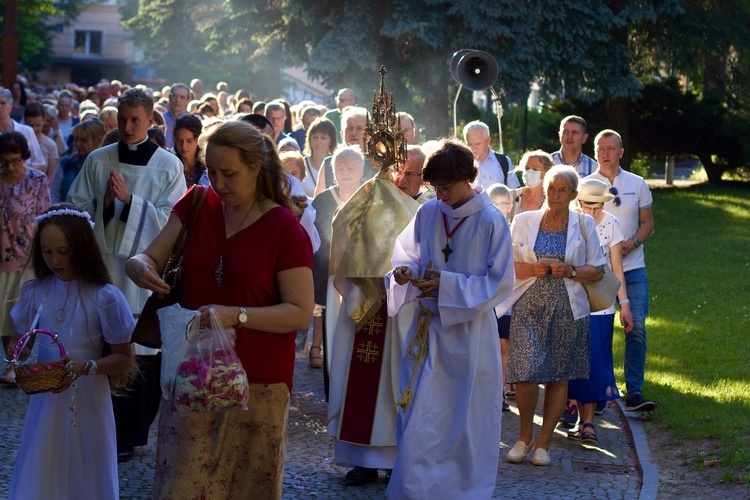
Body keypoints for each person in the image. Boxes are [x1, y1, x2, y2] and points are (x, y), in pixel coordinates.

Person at [125, 119, 314, 497]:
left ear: (256, 168)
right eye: (211, 171)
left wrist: (238, 314)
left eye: (229, 174)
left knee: (245, 491)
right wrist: (139, 267)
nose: (219, 183)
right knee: (180, 488)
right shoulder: (196, 201)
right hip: (191, 374)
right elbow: (148, 256)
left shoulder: (285, 228)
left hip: (259, 384)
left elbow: (300, 312)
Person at [385, 139, 514, 498]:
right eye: (435, 187)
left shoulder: (491, 220)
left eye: (446, 187)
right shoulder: (428, 212)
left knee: (465, 422)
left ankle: (462, 491)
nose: (439, 194)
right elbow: (406, 254)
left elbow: (499, 282)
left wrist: (448, 285)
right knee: (419, 419)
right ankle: (414, 491)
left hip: (470, 338)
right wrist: (404, 274)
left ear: (469, 177)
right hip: (428, 333)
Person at [67, 87, 186, 462]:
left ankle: (131, 434)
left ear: (151, 121)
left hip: (142, 277)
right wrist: (104, 202)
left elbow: (174, 223)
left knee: (142, 352)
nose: (128, 126)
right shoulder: (100, 159)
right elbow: (74, 210)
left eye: (136, 120)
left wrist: (132, 203)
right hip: (103, 272)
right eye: (122, 119)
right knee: (102, 345)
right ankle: (97, 426)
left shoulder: (169, 166)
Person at [6, 204, 135, 499]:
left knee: (85, 461)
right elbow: (21, 343)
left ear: (82, 248)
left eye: (64, 251)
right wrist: (18, 350)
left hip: (88, 394)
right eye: (47, 251)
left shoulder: (104, 296)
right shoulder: (36, 291)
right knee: (43, 457)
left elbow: (124, 357)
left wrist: (84, 367)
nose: (55, 260)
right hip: (46, 398)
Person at [326, 139, 419, 485]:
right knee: (361, 380)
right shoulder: (369, 198)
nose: (406, 179)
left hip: (401, 309)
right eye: (404, 172)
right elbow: (341, 226)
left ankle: (396, 458)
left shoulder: (422, 209)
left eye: (415, 173)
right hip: (368, 303)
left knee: (395, 379)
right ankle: (362, 459)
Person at [504, 165, 605, 467]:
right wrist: (532, 268)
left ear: (574, 194)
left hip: (567, 307)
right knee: (524, 374)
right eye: (551, 188)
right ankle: (524, 437)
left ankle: (544, 443)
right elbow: (506, 264)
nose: (556, 195)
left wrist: (570, 270)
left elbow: (598, 269)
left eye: (563, 190)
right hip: (528, 304)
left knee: (558, 376)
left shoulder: (584, 224)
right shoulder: (523, 220)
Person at [585, 129, 656, 412]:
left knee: (635, 327)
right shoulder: (586, 184)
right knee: (596, 332)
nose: (605, 153)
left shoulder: (637, 183)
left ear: (621, 152)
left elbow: (648, 223)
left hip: (632, 268)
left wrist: (631, 243)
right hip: (596, 272)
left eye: (611, 148)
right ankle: (598, 393)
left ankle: (634, 392)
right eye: (600, 148)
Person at [566, 178, 632, 446]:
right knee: (573, 362)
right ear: (578, 201)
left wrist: (624, 304)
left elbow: (617, 269)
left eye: (596, 207)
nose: (591, 212)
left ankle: (589, 423)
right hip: (572, 299)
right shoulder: (571, 222)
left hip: (601, 303)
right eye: (586, 206)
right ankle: (573, 412)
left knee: (594, 363)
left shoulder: (611, 225)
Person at [0, 132, 51, 384]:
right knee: (4, 316)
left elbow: (44, 220)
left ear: (24, 158)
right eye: (4, 161)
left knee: (23, 314)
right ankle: (10, 361)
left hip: (28, 257)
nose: (10, 166)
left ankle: (15, 365)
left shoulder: (37, 181)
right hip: (1, 256)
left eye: (15, 160)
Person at [311, 146, 365, 370]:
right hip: (329, 272)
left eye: (350, 168)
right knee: (331, 324)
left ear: (361, 170)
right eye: (339, 168)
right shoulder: (323, 200)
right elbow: (314, 238)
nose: (345, 173)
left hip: (360, 274)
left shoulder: (370, 196)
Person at [487, 182, 514, 411]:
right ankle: (489, 389)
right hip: (488, 300)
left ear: (510, 206)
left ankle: (502, 390)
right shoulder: (484, 227)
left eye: (503, 204)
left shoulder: (515, 228)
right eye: (494, 203)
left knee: (504, 345)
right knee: (489, 345)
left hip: (508, 301)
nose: (499, 207)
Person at [313, 106, 377, 197]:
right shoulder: (328, 163)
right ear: (342, 133)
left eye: (359, 128)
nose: (353, 132)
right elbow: (318, 202)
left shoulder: (378, 164)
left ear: (369, 134)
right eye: (349, 128)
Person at [49, 120, 107, 204]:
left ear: (97, 141)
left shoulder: (105, 165)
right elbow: (54, 194)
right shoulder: (66, 163)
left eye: (83, 140)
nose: (78, 143)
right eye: (76, 139)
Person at [463, 120, 519, 189]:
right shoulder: (460, 163)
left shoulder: (504, 162)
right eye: (469, 144)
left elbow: (514, 192)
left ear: (488, 141)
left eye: (477, 144)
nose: (473, 148)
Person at [0, 87, 46, 171]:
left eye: (3, 103)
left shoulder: (27, 131)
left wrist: (20, 174)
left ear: (11, 106)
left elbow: (39, 163)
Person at [508, 150, 554, 222]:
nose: (529, 172)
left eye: (535, 169)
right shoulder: (511, 196)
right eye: (527, 168)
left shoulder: (552, 201)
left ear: (546, 172)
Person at [301, 117, 337, 198]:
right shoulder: (300, 164)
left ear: (331, 141)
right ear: (309, 139)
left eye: (323, 138)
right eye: (315, 137)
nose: (318, 142)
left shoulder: (337, 164)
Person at [23, 102, 60, 177]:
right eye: (30, 125)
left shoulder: (50, 145)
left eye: (38, 125)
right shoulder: (18, 142)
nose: (34, 129)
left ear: (44, 121)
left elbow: (51, 177)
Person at [173, 113, 205, 187]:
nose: (184, 146)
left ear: (197, 139)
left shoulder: (206, 167)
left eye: (189, 141)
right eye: (179, 141)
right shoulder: (171, 165)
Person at [163, 83, 191, 150]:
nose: (177, 100)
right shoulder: (160, 119)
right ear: (169, 97)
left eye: (182, 97)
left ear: (188, 100)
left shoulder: (191, 122)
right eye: (175, 96)